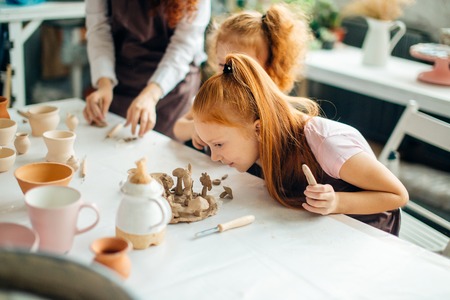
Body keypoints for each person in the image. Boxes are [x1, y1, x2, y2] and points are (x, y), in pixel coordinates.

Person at [191, 53, 409, 235]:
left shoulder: (326, 143)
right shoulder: (258, 142)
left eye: (218, 145)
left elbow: (397, 195)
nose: (214, 157)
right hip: (319, 232)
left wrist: (336, 202)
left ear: (258, 128)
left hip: (366, 234)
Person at [173, 3, 310, 148]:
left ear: (269, 67)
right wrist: (195, 128)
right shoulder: (214, 97)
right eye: (222, 65)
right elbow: (178, 128)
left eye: (238, 67)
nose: (228, 74)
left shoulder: (271, 106)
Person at [83, 0, 211, 138]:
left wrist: (151, 95)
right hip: (122, 75)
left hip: (172, 83)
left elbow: (183, 46)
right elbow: (98, 29)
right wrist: (104, 83)